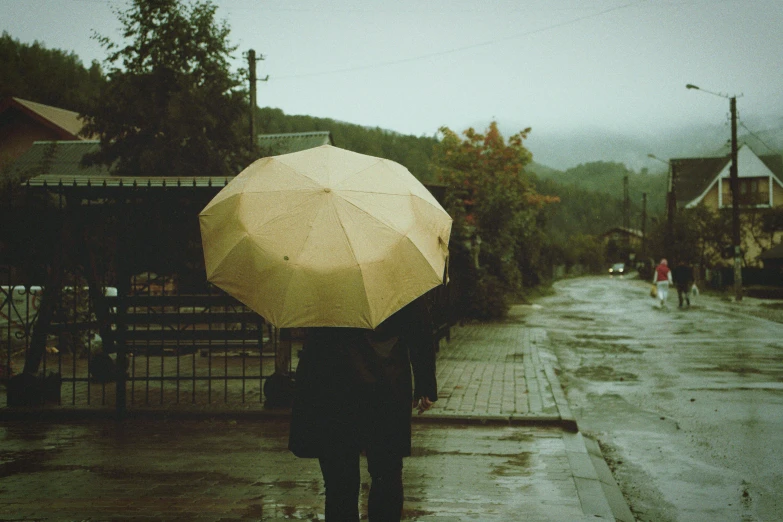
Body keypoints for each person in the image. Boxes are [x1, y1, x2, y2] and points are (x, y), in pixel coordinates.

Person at [288, 295, 438, 522]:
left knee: (340, 482)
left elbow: (314, 337)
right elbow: (420, 329)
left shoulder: (324, 273)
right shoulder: (394, 273)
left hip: (334, 386)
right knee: (385, 473)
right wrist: (425, 383)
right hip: (386, 383)